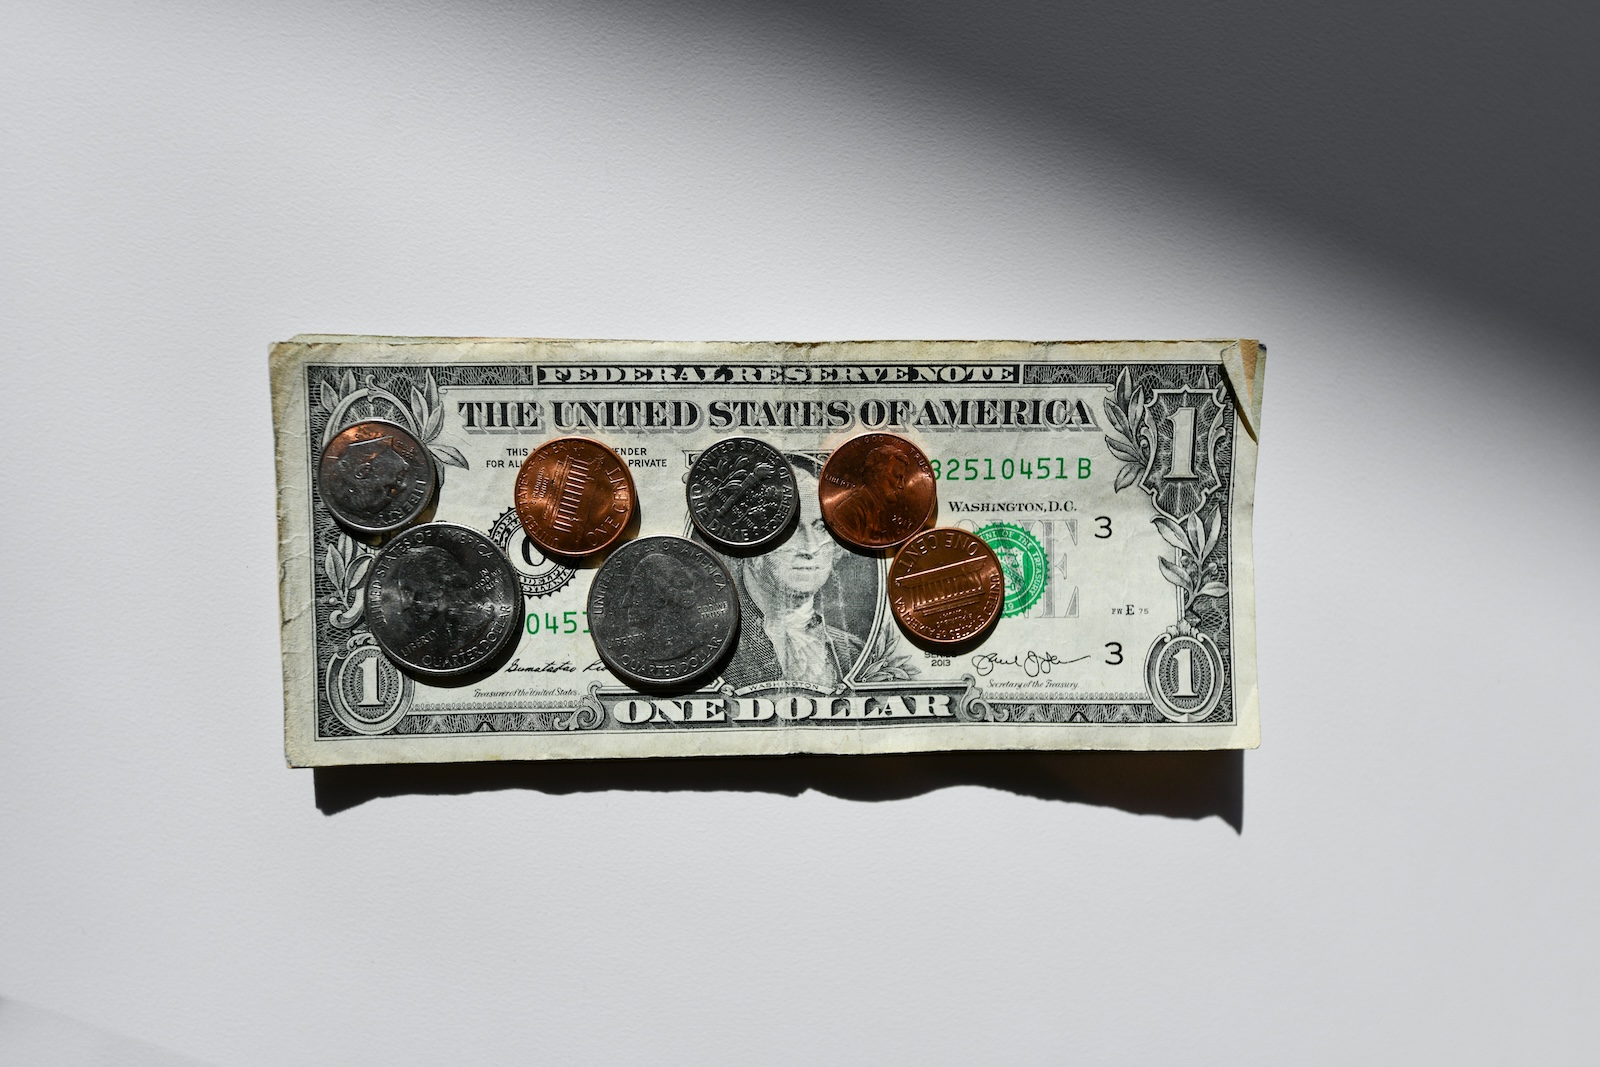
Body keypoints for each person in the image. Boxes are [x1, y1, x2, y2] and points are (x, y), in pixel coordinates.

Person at [720, 462, 867, 690]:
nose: (809, 547)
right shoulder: (715, 643)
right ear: (748, 540)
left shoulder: (852, 651)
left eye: (821, 528)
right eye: (789, 528)